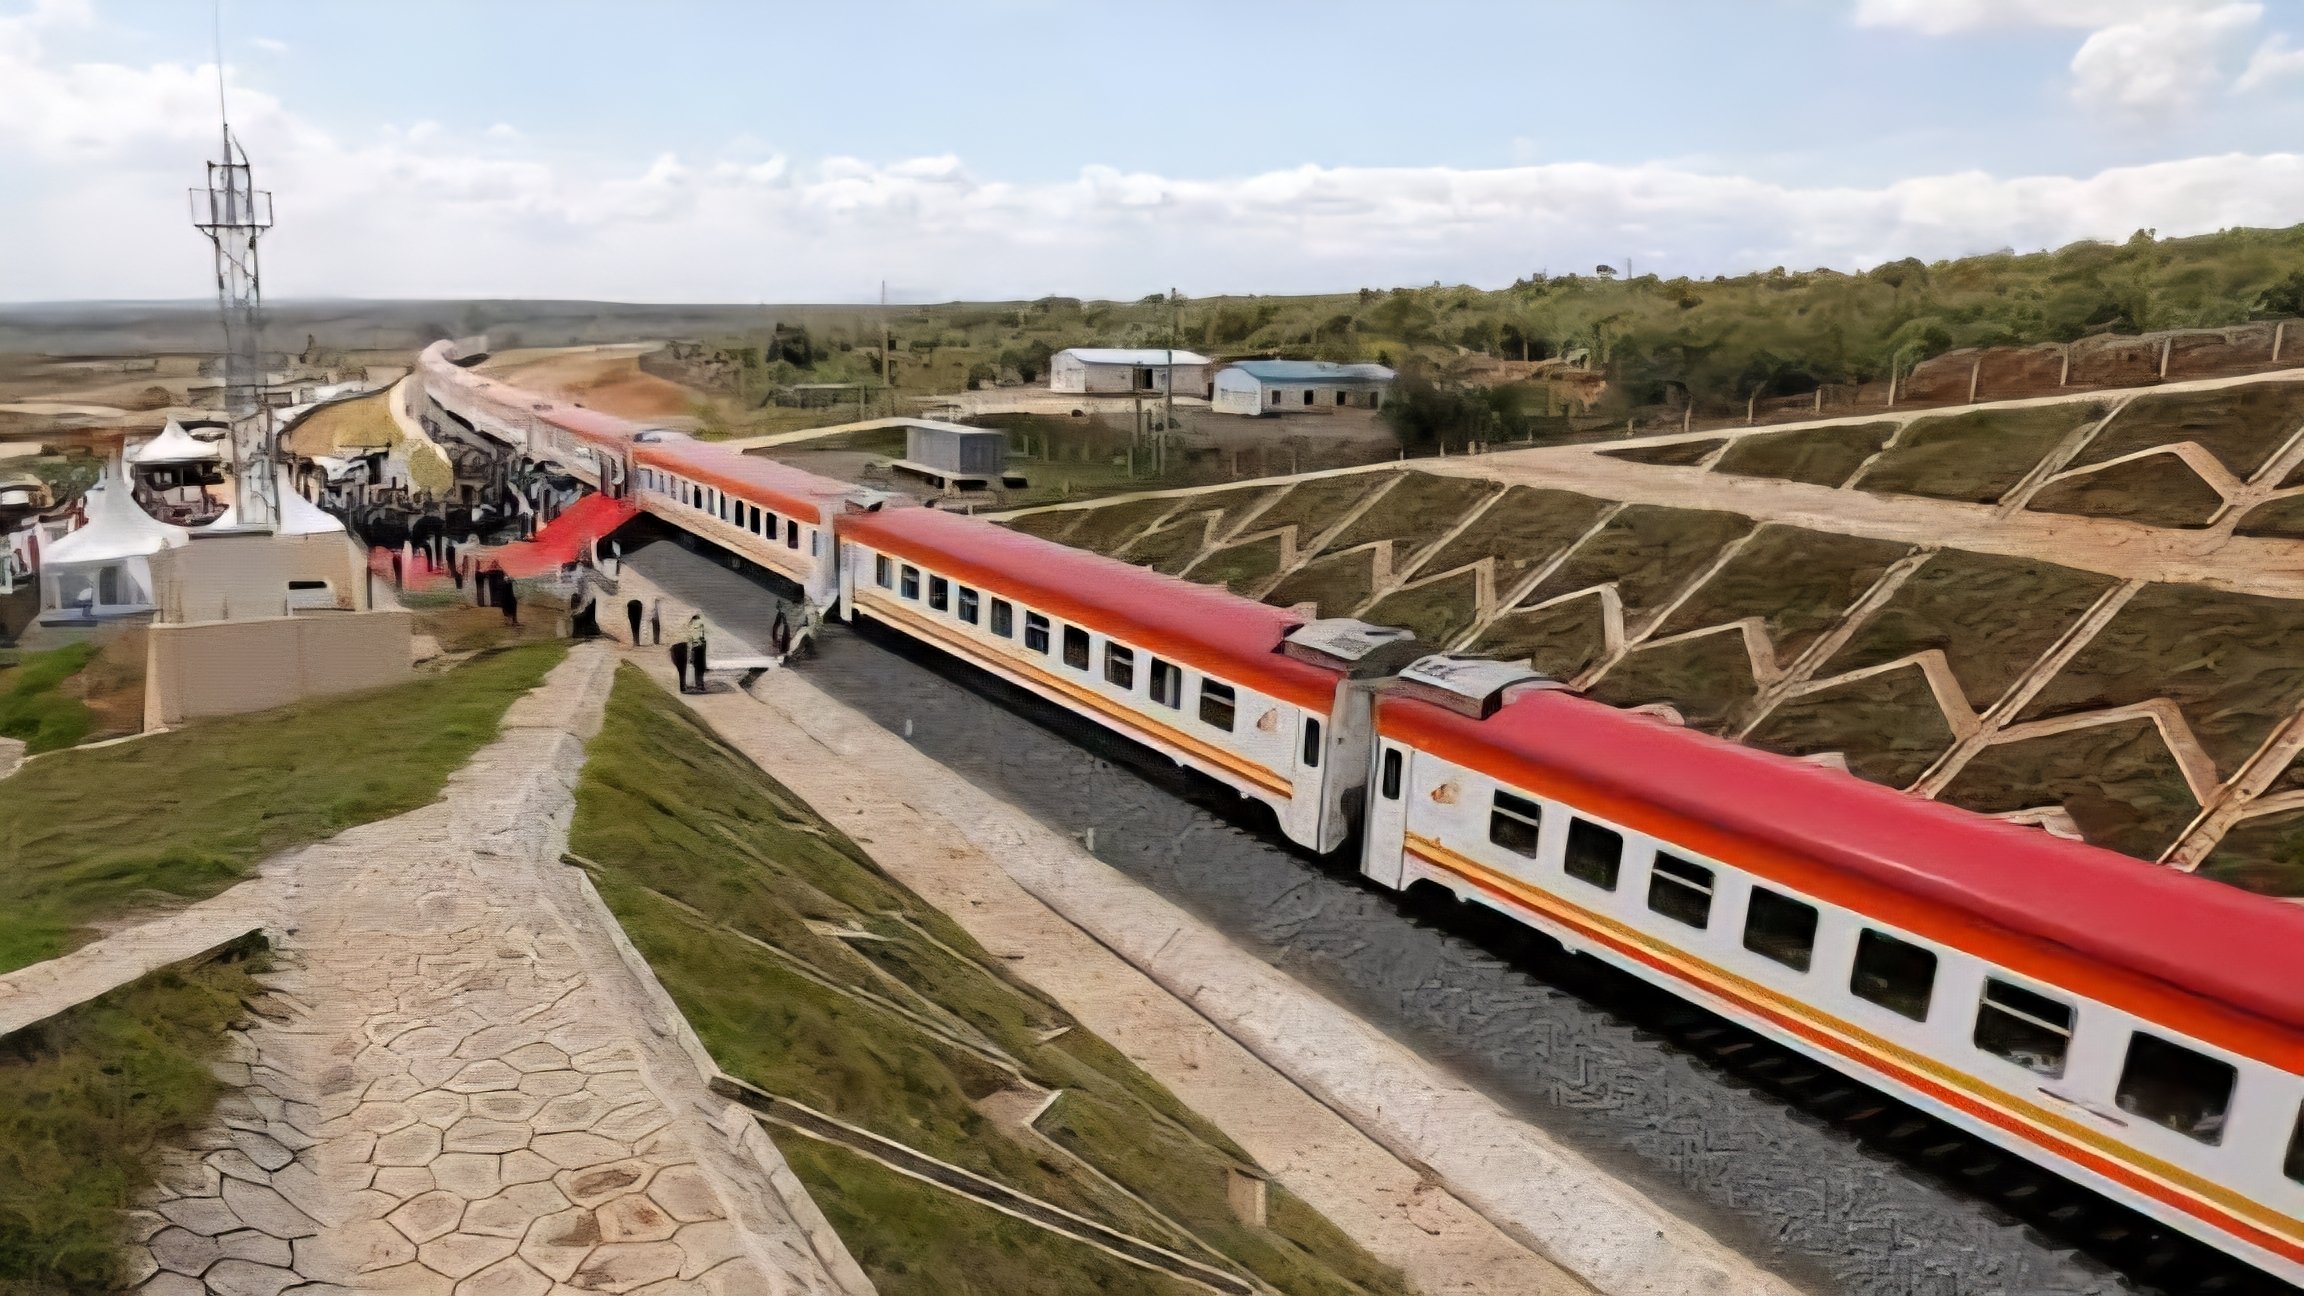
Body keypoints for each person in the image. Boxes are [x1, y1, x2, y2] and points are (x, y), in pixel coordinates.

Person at [687, 614, 708, 691]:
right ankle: (700, 684)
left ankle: (698, 684)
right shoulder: (701, 622)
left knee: (696, 665)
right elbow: (702, 636)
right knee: (700, 666)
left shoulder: (692, 623)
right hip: (701, 645)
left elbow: (691, 638)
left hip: (695, 646)